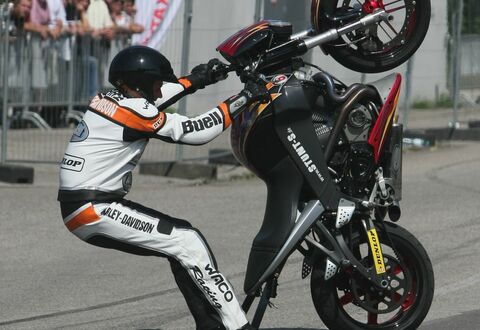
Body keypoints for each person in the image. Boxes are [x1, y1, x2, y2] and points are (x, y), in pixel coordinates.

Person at [58, 45, 268, 330]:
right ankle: (238, 327)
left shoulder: (110, 99)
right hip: (94, 207)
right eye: (156, 85)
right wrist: (244, 98)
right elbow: (195, 130)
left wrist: (198, 79)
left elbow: (153, 100)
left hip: (85, 206)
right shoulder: (132, 112)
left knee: (180, 248)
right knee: (188, 241)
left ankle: (211, 325)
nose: (159, 92)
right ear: (140, 84)